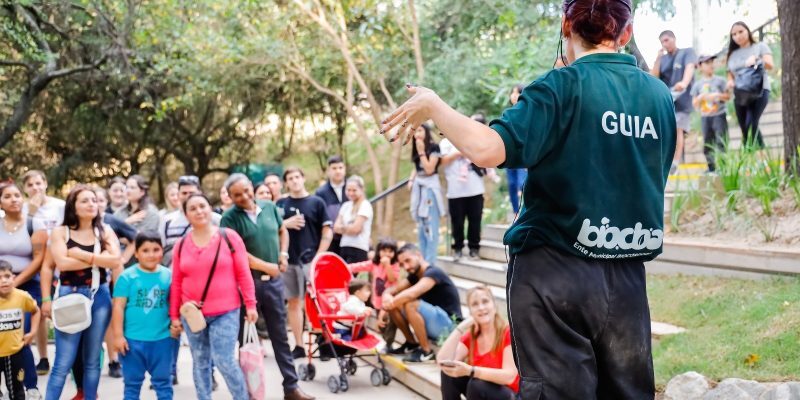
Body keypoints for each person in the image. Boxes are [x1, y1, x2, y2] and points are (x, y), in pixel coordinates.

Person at [379, 0, 674, 397]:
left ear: (566, 27)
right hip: (626, 273)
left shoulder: (560, 86)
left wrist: (434, 105)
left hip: (554, 270)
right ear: (626, 32)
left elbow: (489, 149)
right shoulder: (658, 97)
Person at [220, 174, 315, 400]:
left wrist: (283, 254)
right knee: (247, 340)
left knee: (281, 336)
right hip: (246, 286)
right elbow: (238, 253)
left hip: (273, 285)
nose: (243, 197)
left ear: (251, 188)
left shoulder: (270, 207)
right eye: (236, 195)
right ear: (230, 198)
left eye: (246, 191)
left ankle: (291, 387)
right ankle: (250, 392)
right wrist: (269, 266)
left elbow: (282, 230)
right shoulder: (229, 218)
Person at [169, 193, 257, 400]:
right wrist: (174, 316)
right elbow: (177, 282)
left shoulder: (229, 237)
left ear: (210, 209)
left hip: (226, 311)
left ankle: (241, 397)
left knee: (224, 359)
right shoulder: (181, 245)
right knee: (199, 361)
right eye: (193, 208)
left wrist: (251, 304)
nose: (199, 211)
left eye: (202, 206)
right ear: (186, 214)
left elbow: (243, 273)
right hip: (192, 314)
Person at [43, 185, 124, 400]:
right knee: (63, 361)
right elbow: (62, 263)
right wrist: (99, 259)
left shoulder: (105, 231)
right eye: (85, 201)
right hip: (69, 295)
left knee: (92, 360)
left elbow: (116, 260)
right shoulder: (61, 232)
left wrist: (80, 254)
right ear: (73, 206)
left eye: (94, 200)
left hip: (100, 296)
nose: (91, 204)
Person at [276, 167, 333, 359]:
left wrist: (319, 256)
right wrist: (286, 223)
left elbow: (327, 230)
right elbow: (271, 229)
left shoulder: (316, 202)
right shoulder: (281, 204)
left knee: (316, 303)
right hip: (289, 260)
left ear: (303, 178)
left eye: (297, 177)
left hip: (311, 260)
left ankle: (323, 342)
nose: (294, 181)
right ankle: (299, 345)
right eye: (290, 178)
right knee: (294, 302)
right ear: (286, 183)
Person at [111, 232, 175, 400]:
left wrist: (176, 325)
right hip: (132, 342)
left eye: (156, 249)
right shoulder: (127, 276)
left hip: (162, 340)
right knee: (132, 385)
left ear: (162, 251)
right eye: (145, 250)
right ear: (136, 253)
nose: (151, 254)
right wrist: (118, 336)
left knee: (163, 383)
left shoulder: (168, 275)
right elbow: (118, 307)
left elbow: (174, 305)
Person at [0, 182, 47, 399]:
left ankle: (30, 386)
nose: (14, 199)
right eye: (8, 196)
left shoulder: (34, 223)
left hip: (25, 285)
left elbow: (39, 258)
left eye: (17, 195)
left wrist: (15, 282)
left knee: (21, 336)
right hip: (1, 282)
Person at [382, 244, 462, 363]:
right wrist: (387, 297)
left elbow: (412, 294)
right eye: (402, 264)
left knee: (410, 303)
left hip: (450, 327)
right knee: (396, 305)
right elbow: (392, 290)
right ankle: (411, 343)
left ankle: (426, 352)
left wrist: (388, 304)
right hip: (435, 324)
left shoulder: (434, 272)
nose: (406, 266)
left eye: (408, 260)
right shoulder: (414, 276)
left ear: (418, 255)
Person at [437, 285, 519, 400]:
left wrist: (471, 371)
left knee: (476, 384)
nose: (481, 307)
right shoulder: (472, 337)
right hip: (479, 393)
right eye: (475, 304)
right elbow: (442, 362)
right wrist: (460, 327)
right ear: (470, 311)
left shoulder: (508, 333)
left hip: (510, 395)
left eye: (485, 301)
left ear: (494, 306)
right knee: (448, 373)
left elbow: (509, 376)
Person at [19, 170, 64, 377]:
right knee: (38, 311)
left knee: (56, 311)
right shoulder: (24, 209)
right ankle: (43, 357)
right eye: (30, 185)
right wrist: (31, 212)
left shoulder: (60, 206)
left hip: (59, 261)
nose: (35, 188)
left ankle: (65, 357)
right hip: (35, 264)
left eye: (38, 183)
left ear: (45, 183)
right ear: (25, 189)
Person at [440, 114, 487, 261]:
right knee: (457, 222)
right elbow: (443, 161)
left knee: (475, 221)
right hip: (455, 191)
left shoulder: (474, 139)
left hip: (475, 189)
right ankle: (458, 249)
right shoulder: (445, 142)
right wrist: (460, 151)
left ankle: (474, 248)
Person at [651, 30, 696, 174]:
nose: (665, 44)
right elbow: (653, 77)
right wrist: (658, 59)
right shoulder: (663, 59)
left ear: (674, 38)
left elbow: (690, 68)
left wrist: (684, 82)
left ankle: (675, 163)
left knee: (678, 129)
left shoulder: (687, 52)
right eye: (662, 42)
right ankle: (665, 160)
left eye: (667, 40)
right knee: (665, 131)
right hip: (666, 101)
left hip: (682, 100)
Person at [726, 21, 774, 148]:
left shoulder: (760, 46)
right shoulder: (732, 54)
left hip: (759, 91)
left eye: (740, 31)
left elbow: (770, 65)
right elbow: (730, 73)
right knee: (744, 128)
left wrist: (757, 59)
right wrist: (730, 81)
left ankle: (759, 155)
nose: (738, 36)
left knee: (752, 124)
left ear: (748, 30)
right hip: (740, 93)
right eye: (734, 34)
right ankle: (753, 158)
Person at [158, 175, 222, 268]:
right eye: (184, 193)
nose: (188, 196)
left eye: (192, 192)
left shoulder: (215, 219)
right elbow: (160, 250)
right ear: (179, 194)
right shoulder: (167, 220)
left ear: (200, 193)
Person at [0, 260, 41, 400]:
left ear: (13, 277)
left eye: (7, 276)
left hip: (15, 352)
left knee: (17, 392)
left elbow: (36, 311)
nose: (3, 281)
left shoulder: (22, 296)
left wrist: (33, 332)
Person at [348, 238, 401, 346]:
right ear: (378, 251)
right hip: (377, 302)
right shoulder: (374, 264)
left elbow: (392, 279)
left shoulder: (395, 265)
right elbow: (358, 266)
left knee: (388, 323)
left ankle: (388, 344)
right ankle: (387, 343)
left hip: (389, 301)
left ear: (395, 253)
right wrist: (345, 267)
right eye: (384, 251)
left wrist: (387, 265)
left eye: (390, 251)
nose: (387, 254)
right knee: (382, 326)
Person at [408, 124, 446, 265]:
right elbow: (416, 167)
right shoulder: (417, 148)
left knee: (431, 227)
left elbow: (429, 169)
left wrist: (422, 152)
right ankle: (422, 261)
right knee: (421, 228)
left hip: (430, 189)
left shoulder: (434, 147)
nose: (417, 134)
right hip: (419, 188)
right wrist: (411, 180)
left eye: (420, 130)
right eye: (415, 131)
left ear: (426, 132)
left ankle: (430, 263)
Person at [691, 54, 731, 172]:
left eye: (711, 62)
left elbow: (728, 97)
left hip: (719, 115)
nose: (710, 65)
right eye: (707, 63)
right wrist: (701, 97)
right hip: (705, 117)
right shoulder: (697, 85)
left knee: (721, 142)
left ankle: (724, 168)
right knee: (708, 144)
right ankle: (711, 168)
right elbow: (694, 103)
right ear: (700, 66)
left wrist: (717, 95)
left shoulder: (720, 81)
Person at [333, 175, 373, 264]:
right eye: (348, 190)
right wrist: (349, 228)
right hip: (344, 246)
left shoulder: (365, 205)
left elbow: (356, 229)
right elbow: (335, 227)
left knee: (351, 277)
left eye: (354, 190)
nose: (351, 193)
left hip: (358, 248)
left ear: (361, 190)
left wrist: (343, 228)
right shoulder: (345, 206)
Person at [315, 155, 347, 255]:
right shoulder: (321, 192)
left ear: (344, 169)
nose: (338, 171)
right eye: (334, 168)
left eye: (340, 168)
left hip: (351, 238)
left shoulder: (353, 187)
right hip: (332, 239)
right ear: (328, 171)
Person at [505, 85, 529, 216]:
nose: (514, 95)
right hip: (510, 155)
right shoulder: (508, 113)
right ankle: (515, 212)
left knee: (521, 184)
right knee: (512, 184)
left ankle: (523, 213)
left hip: (523, 155)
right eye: (513, 92)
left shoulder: (527, 111)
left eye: (518, 92)